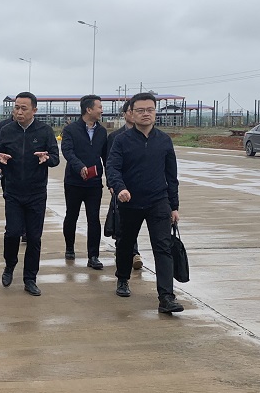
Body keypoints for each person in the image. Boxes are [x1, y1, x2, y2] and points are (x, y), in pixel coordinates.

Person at [106, 92, 184, 313]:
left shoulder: (164, 141)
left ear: (155, 112)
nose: (146, 114)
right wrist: (120, 188)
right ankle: (123, 279)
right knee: (125, 243)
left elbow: (171, 176)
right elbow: (112, 168)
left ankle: (166, 297)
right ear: (131, 113)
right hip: (130, 201)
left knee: (163, 247)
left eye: (150, 110)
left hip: (158, 202)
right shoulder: (122, 140)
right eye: (140, 110)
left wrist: (174, 206)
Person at [0, 92, 59, 296]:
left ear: (34, 110)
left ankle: (30, 278)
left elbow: (55, 158)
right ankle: (9, 264)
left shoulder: (45, 131)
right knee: (12, 233)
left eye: (23, 108)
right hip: (13, 191)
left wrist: (46, 159)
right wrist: (0, 161)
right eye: (16, 108)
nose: (19, 112)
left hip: (36, 193)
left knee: (34, 237)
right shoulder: (6, 130)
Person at [61, 95, 107, 270]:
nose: (101, 110)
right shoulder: (71, 130)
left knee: (93, 218)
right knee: (71, 216)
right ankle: (69, 247)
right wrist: (79, 166)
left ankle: (93, 256)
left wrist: (112, 181)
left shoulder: (102, 132)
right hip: (74, 182)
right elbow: (67, 151)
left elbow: (107, 157)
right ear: (89, 109)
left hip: (94, 182)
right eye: (99, 107)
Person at [107, 100, 142, 271]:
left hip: (141, 187)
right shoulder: (115, 137)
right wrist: (112, 184)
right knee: (123, 222)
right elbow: (109, 162)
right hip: (121, 186)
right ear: (126, 113)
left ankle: (133, 252)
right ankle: (130, 253)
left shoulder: (150, 137)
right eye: (131, 111)